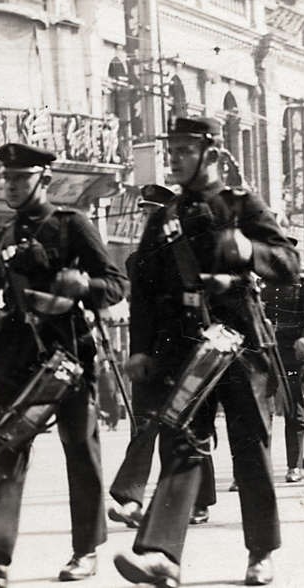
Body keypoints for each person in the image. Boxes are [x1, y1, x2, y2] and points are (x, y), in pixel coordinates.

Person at [113, 116, 299, 587]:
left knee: (249, 447)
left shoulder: (241, 205)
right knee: (181, 443)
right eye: (171, 149)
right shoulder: (165, 218)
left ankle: (260, 551)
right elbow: (144, 290)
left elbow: (288, 264)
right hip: (183, 347)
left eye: (185, 150)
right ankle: (161, 555)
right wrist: (141, 350)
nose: (174, 158)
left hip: (239, 344)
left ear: (211, 155)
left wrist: (248, 250)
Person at [0, 143, 129, 586]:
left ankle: (85, 551)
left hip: (67, 356)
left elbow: (116, 284)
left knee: (80, 451)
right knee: (5, 450)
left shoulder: (72, 225)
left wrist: (83, 284)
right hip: (15, 357)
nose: (10, 186)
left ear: (44, 180)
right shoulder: (1, 237)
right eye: (6, 178)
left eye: (20, 178)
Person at [109, 184, 217, 526]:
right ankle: (131, 499)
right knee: (143, 424)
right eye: (144, 214)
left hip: (188, 351)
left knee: (188, 425)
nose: (147, 221)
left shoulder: (189, 254)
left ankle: (199, 500)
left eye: (153, 214)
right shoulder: (136, 260)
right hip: (149, 353)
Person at [260, 238, 304, 483]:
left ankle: (294, 465)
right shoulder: (262, 286)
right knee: (260, 412)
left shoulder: (303, 286)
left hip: (292, 353)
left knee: (294, 409)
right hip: (265, 354)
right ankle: (259, 467)